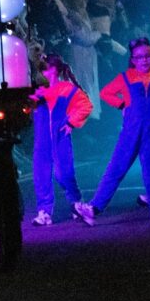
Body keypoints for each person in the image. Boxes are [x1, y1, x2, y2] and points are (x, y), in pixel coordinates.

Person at [74, 38, 150, 226]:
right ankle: (94, 208)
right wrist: (122, 105)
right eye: (139, 57)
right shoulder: (126, 77)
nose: (144, 60)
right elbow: (105, 93)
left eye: (147, 56)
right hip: (130, 132)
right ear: (133, 60)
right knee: (115, 168)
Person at [29, 54, 93, 226]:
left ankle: (77, 202)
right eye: (42, 69)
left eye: (47, 68)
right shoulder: (37, 91)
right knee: (41, 175)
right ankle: (44, 212)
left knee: (64, 173)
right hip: (42, 141)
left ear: (55, 70)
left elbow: (86, 105)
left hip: (60, 138)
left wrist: (71, 122)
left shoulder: (66, 88)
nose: (44, 72)